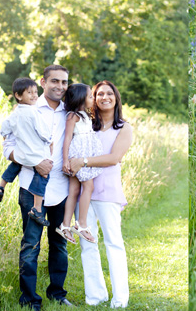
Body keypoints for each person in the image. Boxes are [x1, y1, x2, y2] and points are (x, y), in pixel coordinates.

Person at [2, 65, 72, 310]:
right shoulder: (25, 108)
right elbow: (7, 146)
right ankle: (30, 299)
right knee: (31, 244)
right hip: (31, 189)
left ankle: (57, 293)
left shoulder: (70, 112)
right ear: (43, 82)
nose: (60, 86)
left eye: (64, 82)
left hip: (62, 189)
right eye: (55, 81)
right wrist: (34, 162)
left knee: (59, 243)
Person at [67, 80, 133, 308]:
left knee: (114, 243)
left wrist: (82, 161)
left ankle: (120, 298)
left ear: (116, 98)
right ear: (93, 99)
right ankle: (95, 296)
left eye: (109, 94)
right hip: (84, 194)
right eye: (99, 94)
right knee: (88, 245)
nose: (104, 97)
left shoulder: (123, 128)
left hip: (108, 193)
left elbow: (114, 158)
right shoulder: (87, 124)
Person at [0, 77, 52, 226]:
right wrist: (49, 140)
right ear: (18, 96)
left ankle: (1, 186)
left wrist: (6, 135)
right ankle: (37, 209)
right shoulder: (34, 113)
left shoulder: (15, 113)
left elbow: (4, 129)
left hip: (21, 152)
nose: (34, 95)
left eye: (35, 92)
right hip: (36, 153)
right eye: (29, 92)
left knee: (15, 165)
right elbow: (44, 132)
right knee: (43, 175)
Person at [56, 83, 104, 244]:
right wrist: (65, 160)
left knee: (74, 189)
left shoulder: (85, 115)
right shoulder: (73, 116)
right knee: (88, 187)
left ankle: (64, 225)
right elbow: (67, 138)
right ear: (80, 99)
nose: (93, 99)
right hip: (78, 155)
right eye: (90, 96)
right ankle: (81, 224)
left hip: (85, 154)